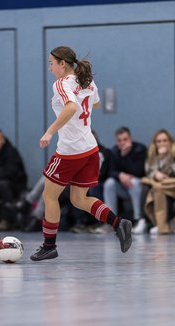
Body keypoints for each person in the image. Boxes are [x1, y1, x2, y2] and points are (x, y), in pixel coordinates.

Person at [30, 46, 132, 261]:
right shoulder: (85, 80)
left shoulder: (61, 83)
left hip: (69, 151)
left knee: (49, 196)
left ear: (62, 64)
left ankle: (49, 246)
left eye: (51, 63)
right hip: (90, 149)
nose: (50, 68)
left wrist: (49, 132)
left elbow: (70, 108)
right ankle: (118, 223)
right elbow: (96, 103)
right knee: (78, 199)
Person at [101, 127, 147, 235]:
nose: (122, 143)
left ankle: (139, 220)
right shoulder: (114, 151)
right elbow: (111, 172)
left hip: (137, 187)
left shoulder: (140, 149)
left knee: (134, 182)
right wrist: (120, 174)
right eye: (119, 140)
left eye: (125, 139)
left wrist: (125, 156)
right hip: (122, 187)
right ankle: (112, 221)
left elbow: (139, 171)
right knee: (109, 183)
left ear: (131, 138)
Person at [140, 129, 175, 235]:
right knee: (150, 188)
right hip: (161, 186)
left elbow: (172, 171)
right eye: (159, 141)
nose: (162, 144)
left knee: (157, 188)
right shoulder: (152, 156)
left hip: (171, 184)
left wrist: (165, 157)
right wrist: (155, 174)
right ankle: (155, 224)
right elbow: (149, 171)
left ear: (170, 141)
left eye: (164, 140)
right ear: (155, 143)